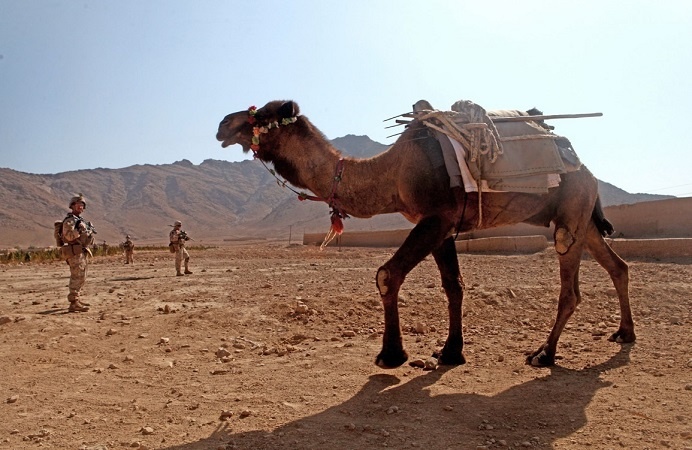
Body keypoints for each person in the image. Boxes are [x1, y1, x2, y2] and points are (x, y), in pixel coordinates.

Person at [61, 193, 95, 312]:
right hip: (74, 252)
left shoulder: (80, 220)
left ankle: (77, 299)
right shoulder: (69, 221)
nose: (81, 207)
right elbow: (68, 237)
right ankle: (73, 302)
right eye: (78, 204)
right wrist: (78, 230)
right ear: (72, 206)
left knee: (82, 276)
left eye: (82, 204)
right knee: (76, 276)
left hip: (81, 251)